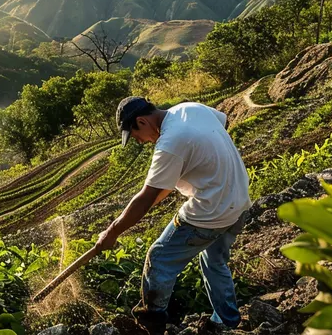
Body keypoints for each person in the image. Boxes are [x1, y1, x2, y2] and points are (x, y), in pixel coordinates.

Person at [95, 97, 252, 334]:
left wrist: (112, 231)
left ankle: (152, 326)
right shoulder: (190, 108)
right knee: (213, 260)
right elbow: (224, 122)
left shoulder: (170, 142)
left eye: (136, 135)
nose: (140, 141)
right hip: (238, 202)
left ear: (142, 121)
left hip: (210, 212)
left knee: (159, 258)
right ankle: (226, 321)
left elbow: (146, 198)